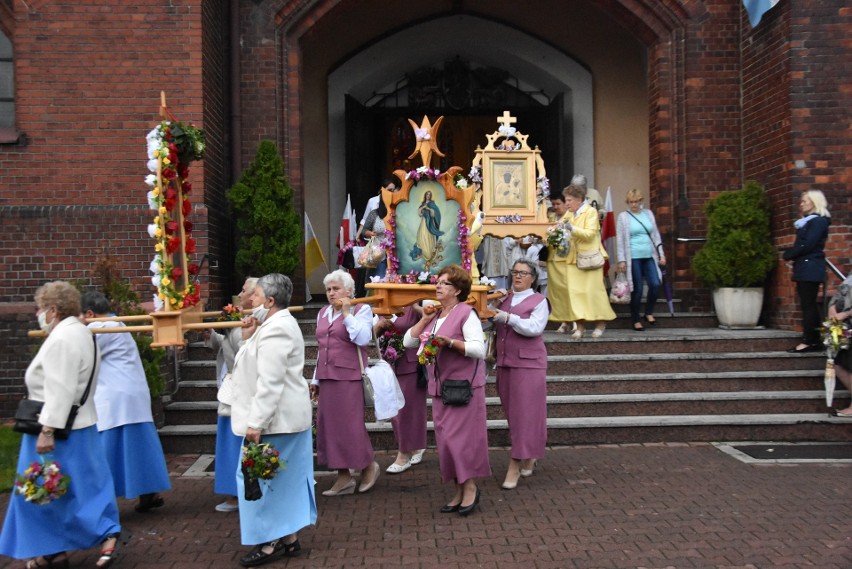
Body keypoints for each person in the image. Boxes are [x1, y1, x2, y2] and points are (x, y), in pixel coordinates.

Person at [0, 281, 122, 569]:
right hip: (83, 424)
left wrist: (47, 430)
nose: (37, 314)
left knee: (39, 490)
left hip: (54, 427)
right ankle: (93, 538)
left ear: (53, 309)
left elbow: (60, 387)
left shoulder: (62, 338)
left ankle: (52, 550)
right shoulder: (83, 333)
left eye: (40, 309)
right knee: (85, 486)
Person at [230, 273, 317, 567]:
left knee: (264, 482)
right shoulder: (270, 326)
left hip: (276, 421)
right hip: (280, 420)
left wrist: (256, 423)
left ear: (269, 301)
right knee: (280, 481)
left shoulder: (276, 329)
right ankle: (289, 540)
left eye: (254, 295)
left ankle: (269, 542)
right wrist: (247, 337)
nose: (248, 300)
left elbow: (270, 382)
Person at [402, 265, 490, 516]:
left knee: (460, 441)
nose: (438, 286)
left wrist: (449, 342)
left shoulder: (465, 313)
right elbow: (408, 342)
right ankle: (459, 488)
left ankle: (470, 487)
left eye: (445, 283)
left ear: (458, 290)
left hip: (463, 388)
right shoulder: (436, 314)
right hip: (441, 389)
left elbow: (478, 349)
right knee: (447, 442)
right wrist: (425, 319)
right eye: (438, 282)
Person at [81, 291, 171, 514]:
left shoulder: (100, 329)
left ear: (90, 313)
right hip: (129, 394)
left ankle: (102, 500)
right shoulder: (116, 322)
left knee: (111, 450)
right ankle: (148, 493)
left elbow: (80, 354)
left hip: (115, 397)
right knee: (137, 448)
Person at [310, 269, 380, 496]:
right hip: (327, 376)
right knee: (328, 427)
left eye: (336, 288)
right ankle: (343, 476)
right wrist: (315, 379)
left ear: (349, 290)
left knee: (350, 426)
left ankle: (367, 464)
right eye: (329, 289)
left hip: (349, 376)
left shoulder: (362, 309)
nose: (331, 293)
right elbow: (322, 348)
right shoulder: (322, 313)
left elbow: (362, 338)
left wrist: (347, 313)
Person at [491, 260, 550, 490]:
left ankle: (515, 463)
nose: (518, 276)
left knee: (525, 414)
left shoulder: (539, 300)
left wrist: (507, 317)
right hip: (505, 362)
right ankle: (529, 453)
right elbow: (492, 326)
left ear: (533, 278)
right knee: (514, 414)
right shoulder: (503, 298)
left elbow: (534, 328)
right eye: (515, 272)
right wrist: (489, 314)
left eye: (523, 273)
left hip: (529, 364)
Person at [203, 277, 261, 513]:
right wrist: (211, 335)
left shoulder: (256, 321)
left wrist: (231, 325)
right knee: (229, 441)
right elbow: (225, 346)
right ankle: (233, 490)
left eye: (244, 290)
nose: (239, 293)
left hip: (244, 390)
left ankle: (240, 493)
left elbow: (244, 349)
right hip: (229, 389)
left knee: (237, 441)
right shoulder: (238, 320)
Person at [374, 304, 427, 473]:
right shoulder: (383, 307)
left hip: (410, 365)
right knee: (395, 411)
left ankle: (404, 454)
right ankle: (413, 447)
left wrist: (415, 305)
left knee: (407, 411)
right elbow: (371, 336)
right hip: (388, 365)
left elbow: (431, 319)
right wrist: (379, 326)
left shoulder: (414, 307)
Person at [561, 184, 616, 338]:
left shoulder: (591, 212)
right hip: (572, 259)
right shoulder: (569, 214)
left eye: (569, 200)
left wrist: (571, 228)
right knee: (575, 294)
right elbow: (559, 226)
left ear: (579, 199)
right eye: (566, 200)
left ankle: (600, 323)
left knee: (593, 293)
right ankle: (580, 327)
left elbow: (590, 234)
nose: (567, 203)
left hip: (589, 260)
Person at [783, 190, 831, 353]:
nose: (801, 204)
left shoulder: (817, 222)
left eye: (805, 201)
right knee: (808, 304)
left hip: (810, 267)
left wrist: (790, 254)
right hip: (807, 266)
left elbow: (808, 244)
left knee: (808, 304)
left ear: (814, 202)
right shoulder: (809, 222)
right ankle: (812, 339)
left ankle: (810, 341)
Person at [615, 189, 667, 331]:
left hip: (649, 255)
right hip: (633, 257)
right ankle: (635, 319)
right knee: (636, 289)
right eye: (631, 202)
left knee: (655, 283)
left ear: (640, 201)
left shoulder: (648, 214)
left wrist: (661, 254)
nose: (634, 204)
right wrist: (621, 260)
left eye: (636, 201)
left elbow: (655, 236)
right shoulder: (623, 217)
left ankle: (648, 312)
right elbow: (620, 239)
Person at [546, 192, 572, 332]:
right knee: (557, 293)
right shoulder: (551, 217)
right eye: (554, 204)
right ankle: (563, 321)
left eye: (558, 204)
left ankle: (573, 320)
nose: (556, 207)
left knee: (569, 291)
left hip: (566, 259)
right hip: (553, 258)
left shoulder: (570, 217)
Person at [828, 275, 852, 417]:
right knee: (838, 365)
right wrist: (832, 308)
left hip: (847, 323)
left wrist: (845, 314)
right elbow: (839, 295)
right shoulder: (849, 278)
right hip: (843, 328)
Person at [411, 190, 445, 267]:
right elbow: (419, 213)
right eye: (427, 194)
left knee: (429, 237)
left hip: (430, 223)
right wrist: (423, 207)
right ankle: (423, 253)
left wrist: (429, 209)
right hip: (423, 223)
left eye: (429, 195)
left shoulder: (432, 204)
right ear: (425, 195)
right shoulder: (423, 204)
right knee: (422, 236)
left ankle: (429, 253)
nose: (428, 196)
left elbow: (434, 214)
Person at [362, 198, 388, 279]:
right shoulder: (374, 213)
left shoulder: (399, 211)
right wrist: (370, 233)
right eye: (390, 190)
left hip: (396, 255)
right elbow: (364, 231)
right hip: (378, 255)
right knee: (379, 282)